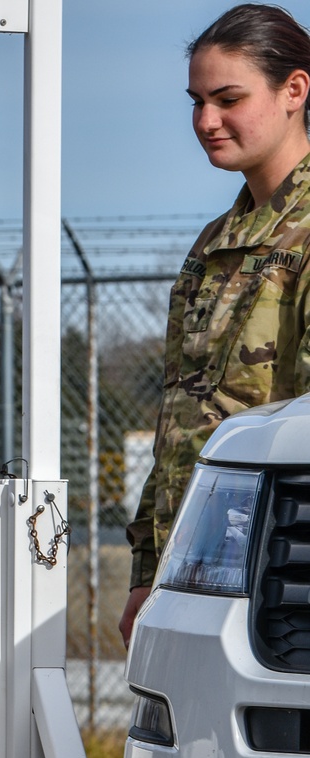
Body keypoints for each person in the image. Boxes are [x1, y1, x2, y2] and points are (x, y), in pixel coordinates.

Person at [119, 3, 310, 646]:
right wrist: (148, 570)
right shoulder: (214, 243)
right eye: (196, 101)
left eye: (228, 99)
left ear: (295, 90)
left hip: (283, 584)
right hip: (196, 572)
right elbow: (182, 414)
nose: (205, 121)